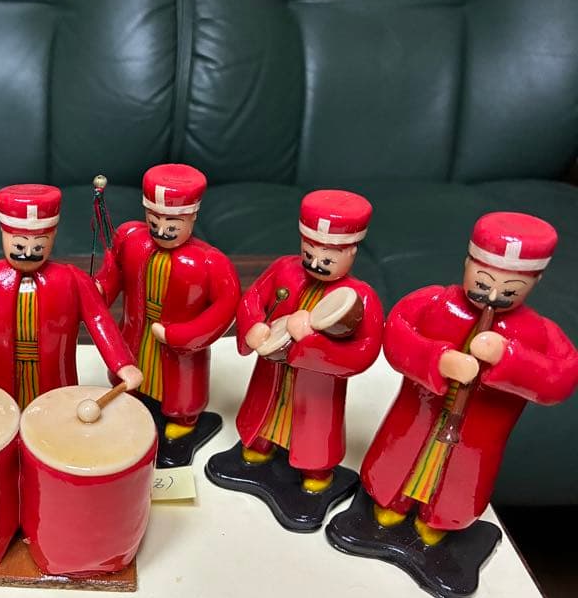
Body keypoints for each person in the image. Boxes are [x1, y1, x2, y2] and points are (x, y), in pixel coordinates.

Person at [360, 211, 578, 544]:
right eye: (483, 282)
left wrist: (508, 358)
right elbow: (396, 333)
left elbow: (561, 377)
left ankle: (437, 521)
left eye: (509, 290)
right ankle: (393, 502)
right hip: (420, 413)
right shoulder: (436, 302)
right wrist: (439, 360)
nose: (492, 296)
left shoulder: (536, 332)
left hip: (477, 432)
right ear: (468, 264)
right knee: (401, 459)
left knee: (457, 479)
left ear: (535, 283)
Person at [0, 184, 142, 405]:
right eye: (19, 246)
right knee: (2, 417)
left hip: (55, 381)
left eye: (38, 246)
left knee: (51, 421)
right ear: (3, 233)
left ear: (53, 236)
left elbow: (100, 322)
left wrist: (123, 364)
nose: (28, 253)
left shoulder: (73, 280)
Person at [235, 190, 382, 493]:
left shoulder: (362, 297)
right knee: (265, 408)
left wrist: (313, 344)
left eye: (327, 259)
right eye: (308, 254)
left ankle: (316, 470)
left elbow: (364, 351)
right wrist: (254, 325)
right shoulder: (283, 269)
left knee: (315, 427)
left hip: (318, 385)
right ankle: (262, 443)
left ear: (351, 253)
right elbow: (253, 298)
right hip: (272, 370)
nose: (315, 264)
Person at [95, 163, 239, 450]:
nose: (161, 231)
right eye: (154, 222)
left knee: (179, 385)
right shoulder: (130, 239)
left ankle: (184, 417)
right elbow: (113, 272)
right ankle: (135, 398)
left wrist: (184, 335)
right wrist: (99, 290)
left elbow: (226, 306)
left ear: (192, 216)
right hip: (136, 329)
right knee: (133, 368)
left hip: (177, 343)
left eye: (172, 226)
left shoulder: (209, 262)